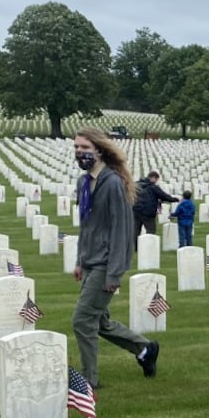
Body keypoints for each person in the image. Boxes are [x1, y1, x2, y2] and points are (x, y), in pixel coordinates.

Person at [71, 128, 159, 388]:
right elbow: (86, 226)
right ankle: (145, 349)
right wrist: (79, 260)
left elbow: (122, 229)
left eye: (84, 148)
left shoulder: (112, 183)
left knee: (82, 320)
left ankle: (89, 380)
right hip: (89, 261)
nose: (79, 152)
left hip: (105, 264)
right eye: (76, 148)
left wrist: (114, 273)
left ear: (99, 150)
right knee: (99, 320)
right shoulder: (84, 182)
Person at [133, 170, 179, 249]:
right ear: (153, 178)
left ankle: (136, 248)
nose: (156, 182)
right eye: (156, 179)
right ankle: (149, 247)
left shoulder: (136, 185)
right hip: (148, 212)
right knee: (151, 230)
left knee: (136, 230)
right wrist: (176, 199)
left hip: (136, 211)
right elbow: (164, 196)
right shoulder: (153, 187)